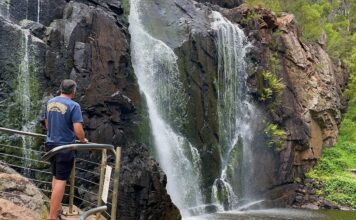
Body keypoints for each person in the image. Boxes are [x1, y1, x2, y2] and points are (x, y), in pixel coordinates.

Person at [44, 79, 88, 220]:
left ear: (60, 89)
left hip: (50, 145)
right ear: (73, 91)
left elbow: (46, 124)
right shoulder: (74, 105)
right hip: (65, 147)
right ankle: (52, 216)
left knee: (55, 177)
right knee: (61, 180)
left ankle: (55, 209)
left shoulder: (50, 102)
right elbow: (78, 129)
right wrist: (83, 140)